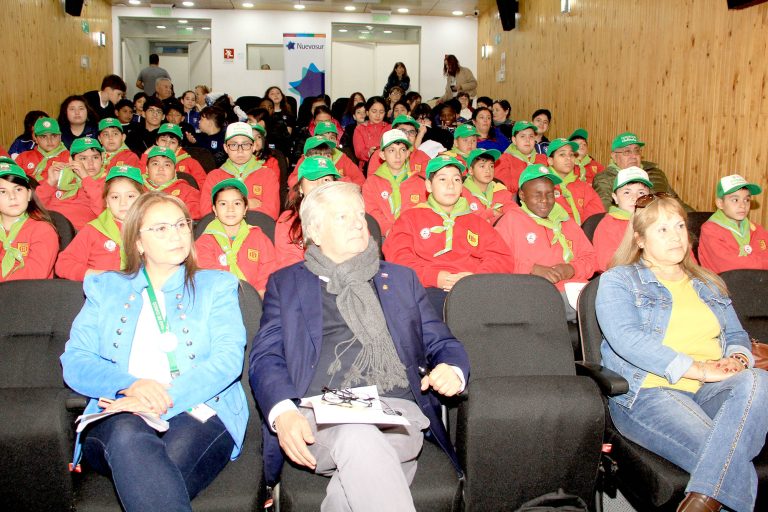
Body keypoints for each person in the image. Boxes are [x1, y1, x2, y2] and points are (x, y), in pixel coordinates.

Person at [249, 181, 470, 510]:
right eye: (343, 217)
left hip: (396, 413)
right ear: (315, 231)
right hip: (319, 415)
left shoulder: (401, 279)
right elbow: (266, 356)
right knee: (360, 441)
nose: (357, 223)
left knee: (362, 446)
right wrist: (283, 412)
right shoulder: (286, 283)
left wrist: (452, 368)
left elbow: (441, 340)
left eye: (360, 214)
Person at [60, 192, 248, 512]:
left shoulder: (217, 286)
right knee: (127, 435)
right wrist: (132, 386)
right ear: (138, 242)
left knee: (152, 475)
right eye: (161, 228)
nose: (176, 234)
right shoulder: (105, 288)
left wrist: (162, 397)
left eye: (181, 224)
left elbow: (227, 361)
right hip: (120, 410)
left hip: (200, 408)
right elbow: (75, 360)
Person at [595, 192, 768, 512]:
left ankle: (703, 500)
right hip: (650, 391)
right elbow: (627, 339)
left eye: (679, 226)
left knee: (758, 379)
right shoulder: (619, 280)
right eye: (662, 229)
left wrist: (737, 359)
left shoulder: (707, 282)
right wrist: (699, 368)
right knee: (723, 454)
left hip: (710, 390)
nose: (675, 236)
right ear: (640, 239)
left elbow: (735, 334)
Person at [384, 155, 513, 312]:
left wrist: (476, 277)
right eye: (443, 179)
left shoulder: (476, 221)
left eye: (457, 180)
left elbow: (501, 257)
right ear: (429, 185)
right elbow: (398, 258)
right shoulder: (410, 218)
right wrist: (434, 277)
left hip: (473, 287)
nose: (451, 185)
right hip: (426, 288)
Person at [495, 164, 596, 321]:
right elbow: (497, 262)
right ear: (522, 195)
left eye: (550, 194)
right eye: (537, 195)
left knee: (606, 297)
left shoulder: (565, 220)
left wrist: (572, 268)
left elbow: (590, 258)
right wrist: (532, 269)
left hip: (575, 289)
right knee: (597, 307)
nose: (544, 200)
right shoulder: (511, 220)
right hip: (534, 292)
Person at [56, 165, 145, 280]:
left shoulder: (153, 230)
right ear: (107, 201)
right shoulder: (93, 230)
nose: (123, 203)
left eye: (130, 196)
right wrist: (98, 275)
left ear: (143, 199)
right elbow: (63, 264)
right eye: (115, 197)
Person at [195, 179, 276, 297]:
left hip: (256, 301)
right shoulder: (204, 243)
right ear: (214, 209)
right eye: (223, 204)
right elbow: (209, 280)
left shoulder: (260, 238)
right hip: (219, 301)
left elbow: (268, 275)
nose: (230, 209)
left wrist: (255, 303)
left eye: (237, 203)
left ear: (245, 208)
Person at [593, 132, 691, 211]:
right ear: (614, 157)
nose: (633, 156)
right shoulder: (605, 179)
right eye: (627, 152)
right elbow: (604, 209)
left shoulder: (656, 173)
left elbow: (676, 202)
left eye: (637, 151)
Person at [200, 122, 280, 220]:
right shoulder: (214, 177)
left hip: (257, 229)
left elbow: (271, 213)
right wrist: (246, 204)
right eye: (234, 145)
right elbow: (207, 213)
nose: (240, 150)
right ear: (226, 148)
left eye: (245, 144)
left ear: (253, 146)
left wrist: (226, 208)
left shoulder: (268, 175)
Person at [274, 156, 339, 271]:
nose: (320, 185)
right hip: (303, 278)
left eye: (326, 180)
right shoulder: (288, 220)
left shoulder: (349, 216)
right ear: (300, 188)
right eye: (313, 180)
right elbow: (289, 265)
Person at [0, 159, 58, 281]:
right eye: (3, 192)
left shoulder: (43, 230)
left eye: (18, 189)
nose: (12, 197)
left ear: (29, 194)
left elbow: (34, 275)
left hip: (28, 291)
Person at [363, 129, 427, 237]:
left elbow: (423, 212)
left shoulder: (419, 182)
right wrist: (388, 230)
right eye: (391, 150)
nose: (398, 156)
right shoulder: (371, 183)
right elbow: (372, 212)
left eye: (402, 150)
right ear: (382, 155)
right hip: (382, 236)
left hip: (413, 235)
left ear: (407, 153)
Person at [699, 174, 768, 273]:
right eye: (735, 200)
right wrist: (763, 263)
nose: (743, 205)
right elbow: (730, 265)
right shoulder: (710, 230)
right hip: (723, 281)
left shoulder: (756, 229)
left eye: (747, 200)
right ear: (720, 203)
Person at [36, 136, 107, 230]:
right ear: (71, 161)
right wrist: (50, 183)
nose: (90, 163)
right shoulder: (63, 176)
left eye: (95, 157)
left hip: (74, 232)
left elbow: (104, 213)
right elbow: (33, 208)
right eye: (83, 158)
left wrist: (86, 178)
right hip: (45, 225)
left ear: (102, 159)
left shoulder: (108, 182)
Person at [592, 167, 652, 272]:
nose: (635, 197)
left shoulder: (656, 220)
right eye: (627, 192)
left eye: (641, 193)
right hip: (623, 276)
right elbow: (606, 263)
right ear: (615, 198)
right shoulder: (608, 225)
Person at [546, 138, 605, 225]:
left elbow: (595, 218)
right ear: (550, 160)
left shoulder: (583, 187)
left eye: (571, 154)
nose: (568, 158)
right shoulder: (542, 185)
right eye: (562, 154)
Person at [140, 124, 207, 188]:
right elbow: (139, 182)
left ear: (178, 146)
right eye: (163, 140)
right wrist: (145, 156)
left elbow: (204, 187)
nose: (167, 145)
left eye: (173, 142)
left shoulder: (191, 162)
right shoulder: (148, 158)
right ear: (157, 141)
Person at [144, 146, 201, 219]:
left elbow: (194, 220)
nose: (161, 168)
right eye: (155, 164)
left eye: (167, 165)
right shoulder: (138, 190)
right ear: (147, 169)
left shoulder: (188, 192)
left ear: (174, 171)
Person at [461, 148, 515, 224]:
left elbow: (514, 214)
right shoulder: (461, 193)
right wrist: (491, 213)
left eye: (491, 166)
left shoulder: (501, 190)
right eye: (482, 166)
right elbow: (464, 220)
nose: (488, 170)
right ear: (471, 170)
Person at [493, 121, 549, 193]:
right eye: (522, 136)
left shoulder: (543, 158)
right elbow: (502, 188)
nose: (527, 140)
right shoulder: (503, 160)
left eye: (531, 136)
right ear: (514, 140)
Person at [16, 117, 70, 182]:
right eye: (43, 137)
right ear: (35, 138)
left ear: (60, 137)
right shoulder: (23, 157)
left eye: (54, 136)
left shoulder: (68, 157)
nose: (49, 141)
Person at [353, 97, 391, 173]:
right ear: (367, 112)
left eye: (381, 112)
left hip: (387, 167)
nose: (378, 115)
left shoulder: (389, 128)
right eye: (374, 111)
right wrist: (368, 153)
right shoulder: (360, 129)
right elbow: (359, 152)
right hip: (366, 167)